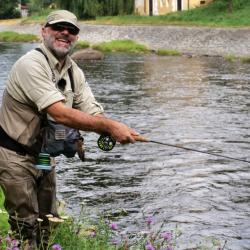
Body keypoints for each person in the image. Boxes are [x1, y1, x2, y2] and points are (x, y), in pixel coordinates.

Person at [0, 10, 138, 249]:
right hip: (14, 154)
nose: (65, 33)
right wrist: (109, 126)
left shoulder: (74, 71)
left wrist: (113, 129)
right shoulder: (30, 64)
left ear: (76, 37)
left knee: (48, 222)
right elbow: (60, 113)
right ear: (44, 31)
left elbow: (92, 112)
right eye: (58, 27)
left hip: (44, 156)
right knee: (25, 224)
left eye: (71, 30)